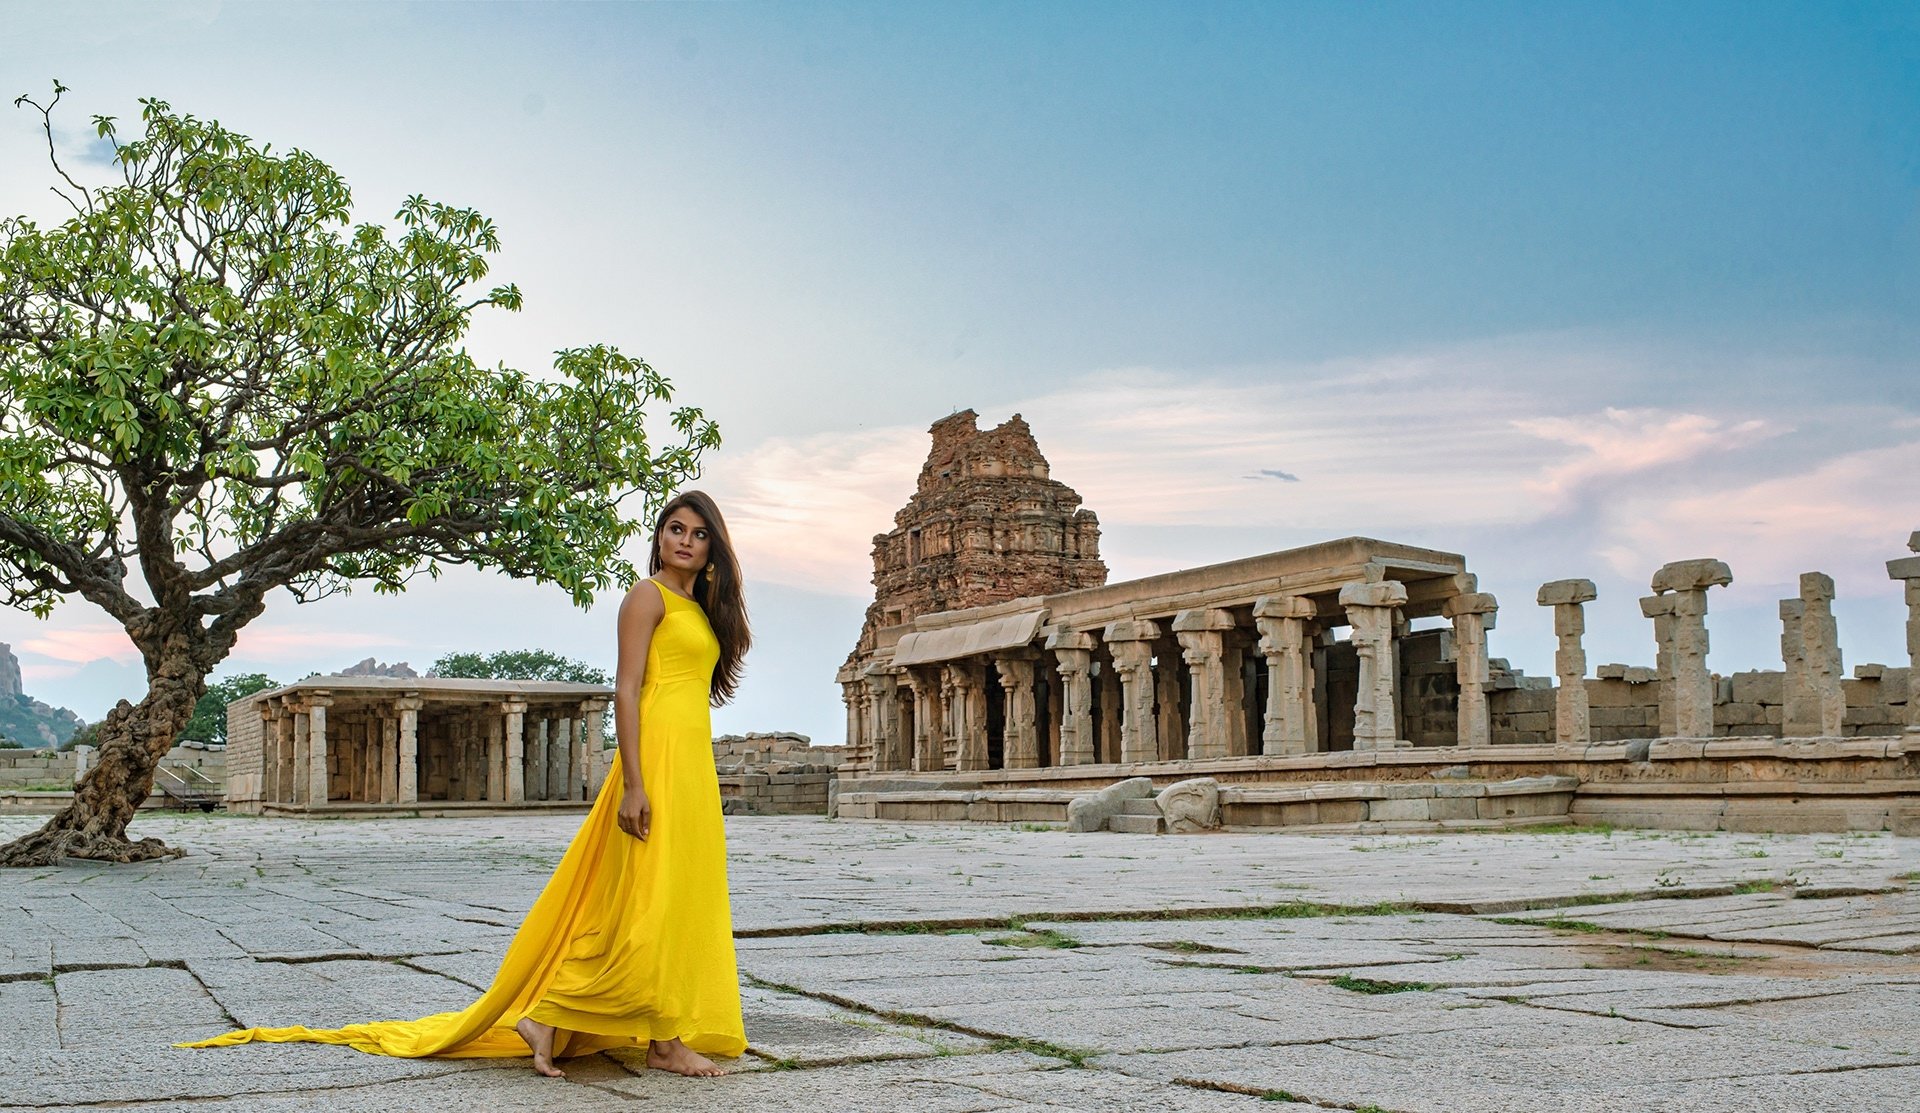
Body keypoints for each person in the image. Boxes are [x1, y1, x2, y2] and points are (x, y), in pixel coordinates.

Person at [179, 490, 752, 1079]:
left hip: (690, 762)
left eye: (698, 533)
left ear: (713, 549)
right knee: (648, 894)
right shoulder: (645, 597)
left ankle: (618, 1026)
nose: (684, 540)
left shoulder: (700, 609)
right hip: (656, 757)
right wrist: (633, 782)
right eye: (675, 528)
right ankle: (607, 1024)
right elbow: (627, 689)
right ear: (659, 537)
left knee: (675, 892)